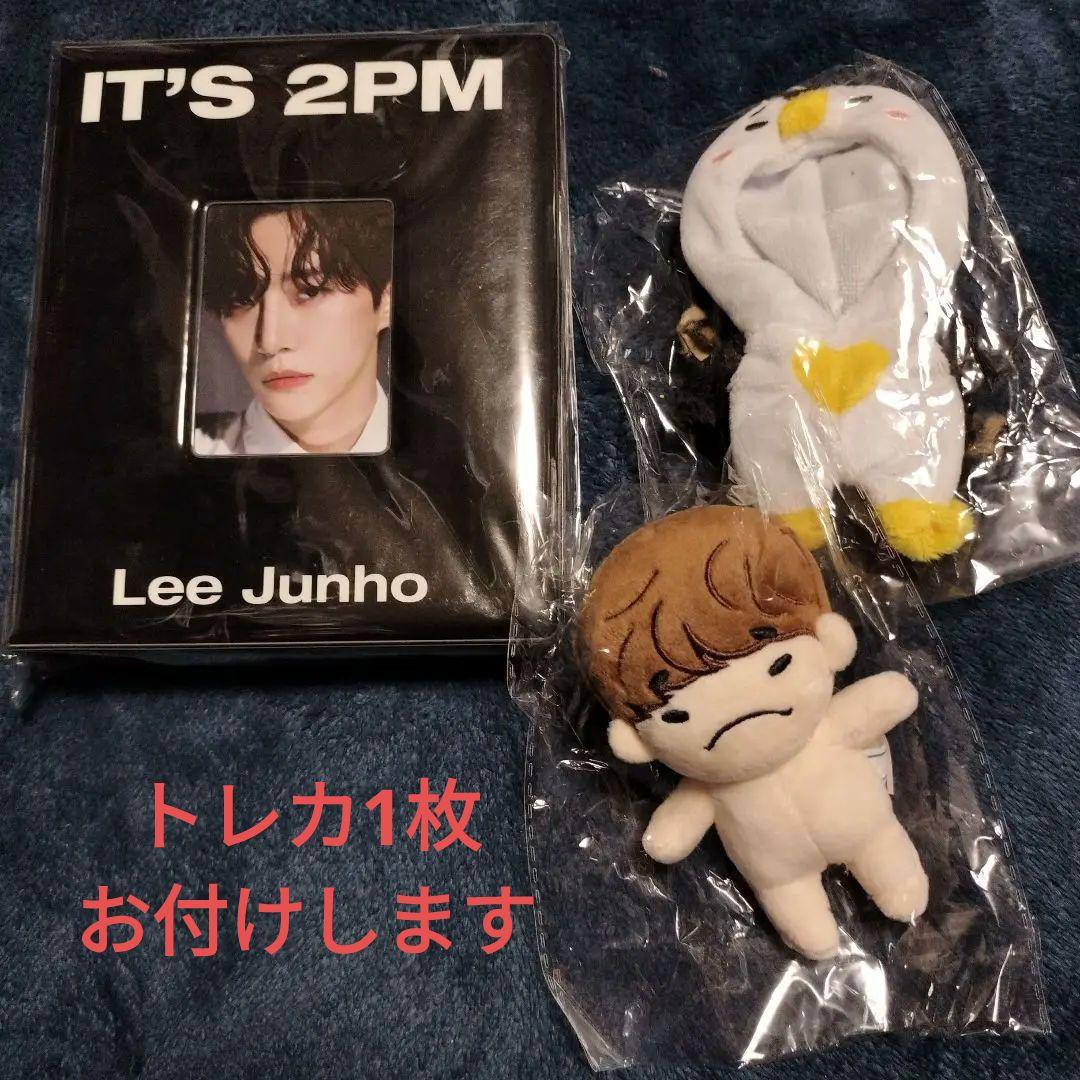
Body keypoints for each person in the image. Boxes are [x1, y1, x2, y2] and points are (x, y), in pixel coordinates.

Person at [195, 201, 392, 455]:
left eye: (311, 290)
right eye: (241, 299)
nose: (270, 341)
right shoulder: (181, 459)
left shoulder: (438, 455)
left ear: (386, 301)